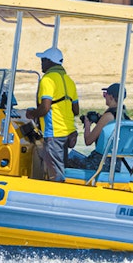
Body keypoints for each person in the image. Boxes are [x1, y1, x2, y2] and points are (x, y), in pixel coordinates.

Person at [25, 46, 79, 182]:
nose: (41, 63)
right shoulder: (69, 81)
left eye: (43, 60)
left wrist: (32, 114)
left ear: (50, 62)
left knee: (55, 173)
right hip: (68, 132)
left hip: (54, 132)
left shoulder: (48, 79)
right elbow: (76, 110)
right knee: (59, 167)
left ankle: (56, 197)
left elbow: (45, 108)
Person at [67, 82, 130, 171]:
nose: (104, 97)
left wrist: (87, 124)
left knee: (67, 159)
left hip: (99, 165)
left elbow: (88, 141)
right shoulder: (124, 116)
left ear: (111, 97)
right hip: (115, 165)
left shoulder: (108, 116)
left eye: (105, 95)